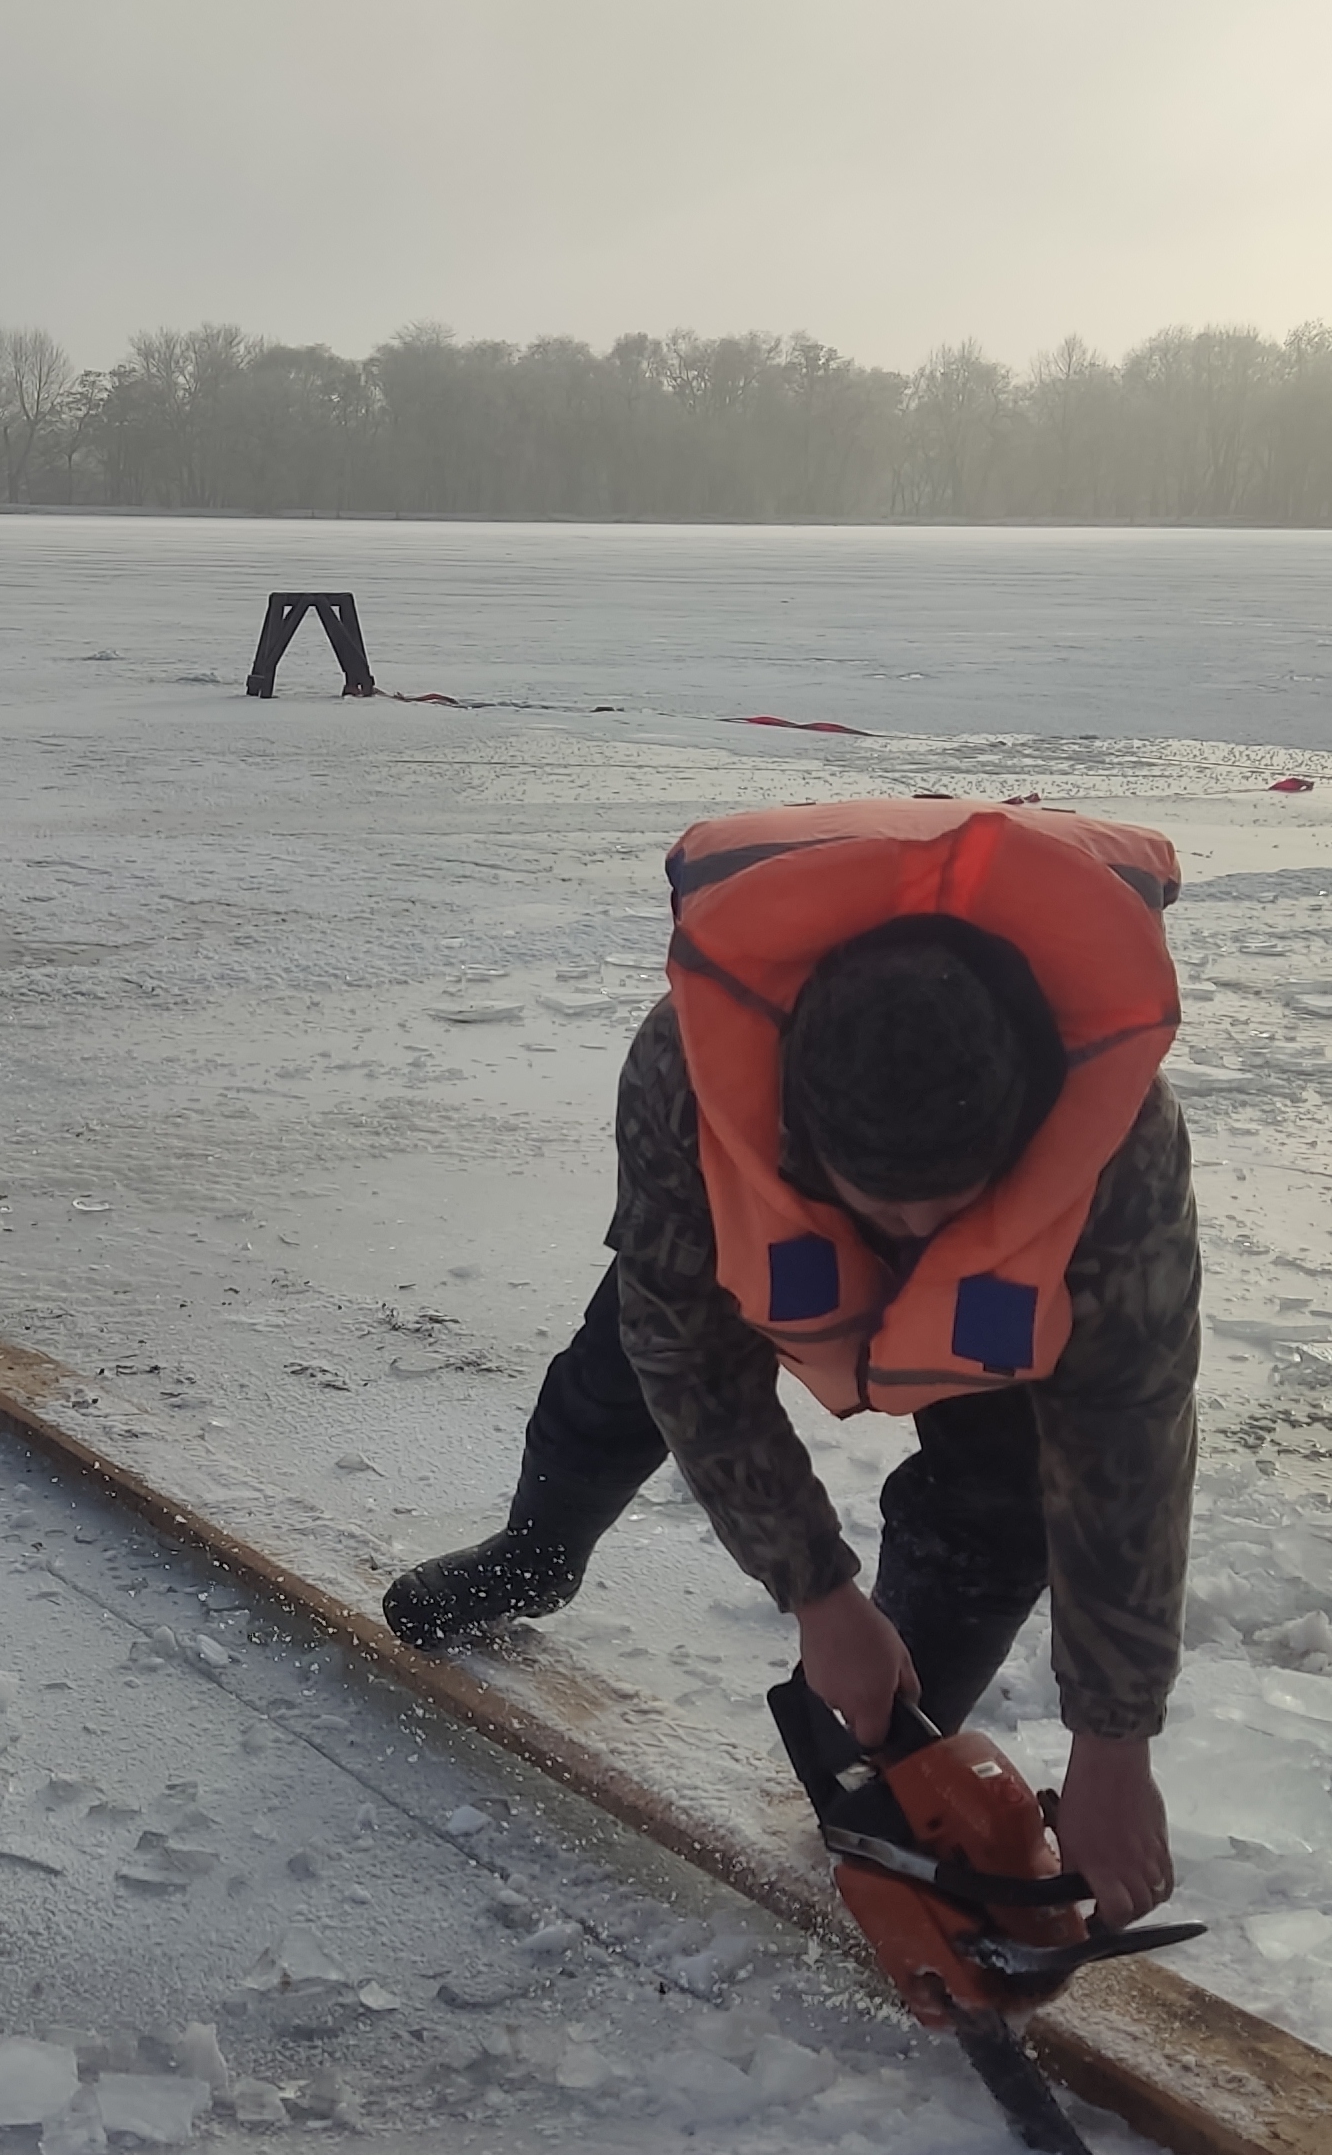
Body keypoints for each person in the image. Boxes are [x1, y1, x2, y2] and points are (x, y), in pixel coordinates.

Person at [382, 797, 1198, 1923]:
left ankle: (883, 1751)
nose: (910, 1250)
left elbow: (1128, 1433)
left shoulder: (1120, 1142)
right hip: (739, 1244)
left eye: (946, 1217)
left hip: (1013, 1306)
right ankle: (535, 1555)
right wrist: (817, 1595)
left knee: (1000, 1502)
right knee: (620, 1367)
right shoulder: (689, 1077)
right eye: (882, 1214)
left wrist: (1114, 1737)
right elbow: (686, 1358)